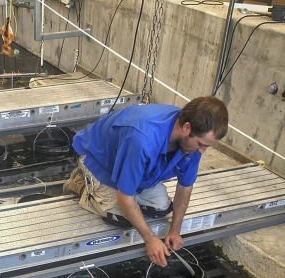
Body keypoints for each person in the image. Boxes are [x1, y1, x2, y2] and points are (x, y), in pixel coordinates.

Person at [63, 96, 228, 267]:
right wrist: (150, 239)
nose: (202, 151)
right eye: (201, 144)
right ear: (186, 128)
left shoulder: (192, 143)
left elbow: (185, 187)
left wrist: (175, 230)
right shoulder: (143, 139)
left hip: (132, 162)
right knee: (122, 218)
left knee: (161, 209)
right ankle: (81, 183)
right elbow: (125, 198)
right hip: (98, 159)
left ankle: (130, 180)